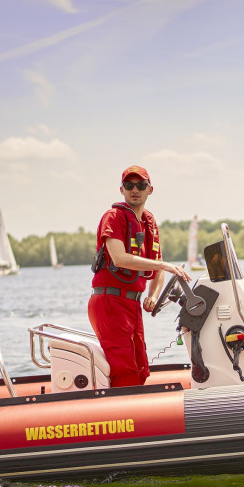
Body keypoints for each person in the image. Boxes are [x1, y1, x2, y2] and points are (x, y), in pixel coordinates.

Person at [88, 165, 190, 387]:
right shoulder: (113, 217)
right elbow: (119, 258)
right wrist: (165, 265)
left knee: (141, 367)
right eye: (129, 185)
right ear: (122, 189)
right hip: (110, 303)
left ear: (149, 190)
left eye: (141, 185)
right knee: (125, 369)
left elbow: (157, 268)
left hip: (132, 306)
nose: (135, 189)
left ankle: (136, 413)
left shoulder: (148, 222)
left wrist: (153, 295)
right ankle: (121, 416)